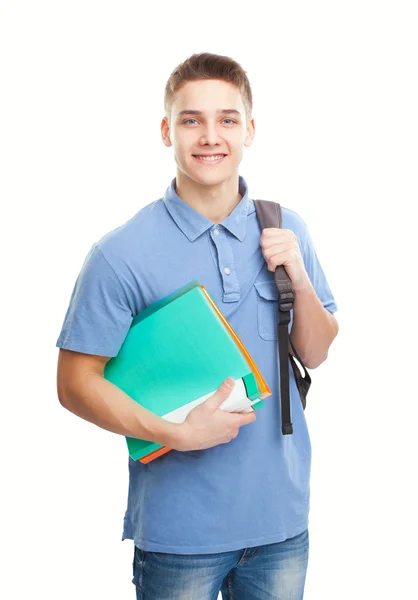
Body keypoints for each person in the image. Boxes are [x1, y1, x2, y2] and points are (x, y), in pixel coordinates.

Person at [56, 52, 339, 600]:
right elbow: (73, 383)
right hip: (178, 535)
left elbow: (318, 350)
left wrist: (299, 279)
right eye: (192, 120)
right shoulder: (121, 253)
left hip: (281, 523)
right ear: (167, 130)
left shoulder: (285, 228)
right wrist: (175, 433)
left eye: (227, 119)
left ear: (249, 129)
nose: (211, 136)